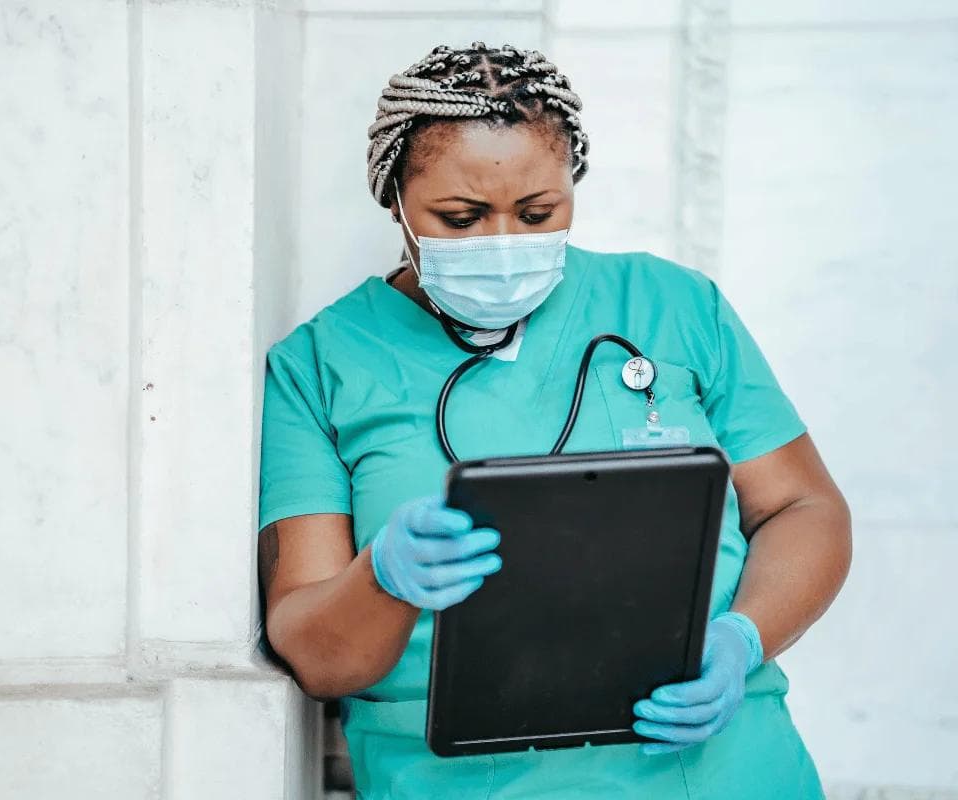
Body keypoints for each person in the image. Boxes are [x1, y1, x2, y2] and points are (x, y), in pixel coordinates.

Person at [257, 41, 852, 800]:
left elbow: (805, 507)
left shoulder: (672, 306)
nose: (503, 246)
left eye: (538, 213)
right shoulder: (323, 364)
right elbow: (316, 654)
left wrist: (743, 638)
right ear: (394, 198)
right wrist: (383, 577)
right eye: (460, 217)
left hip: (721, 771)